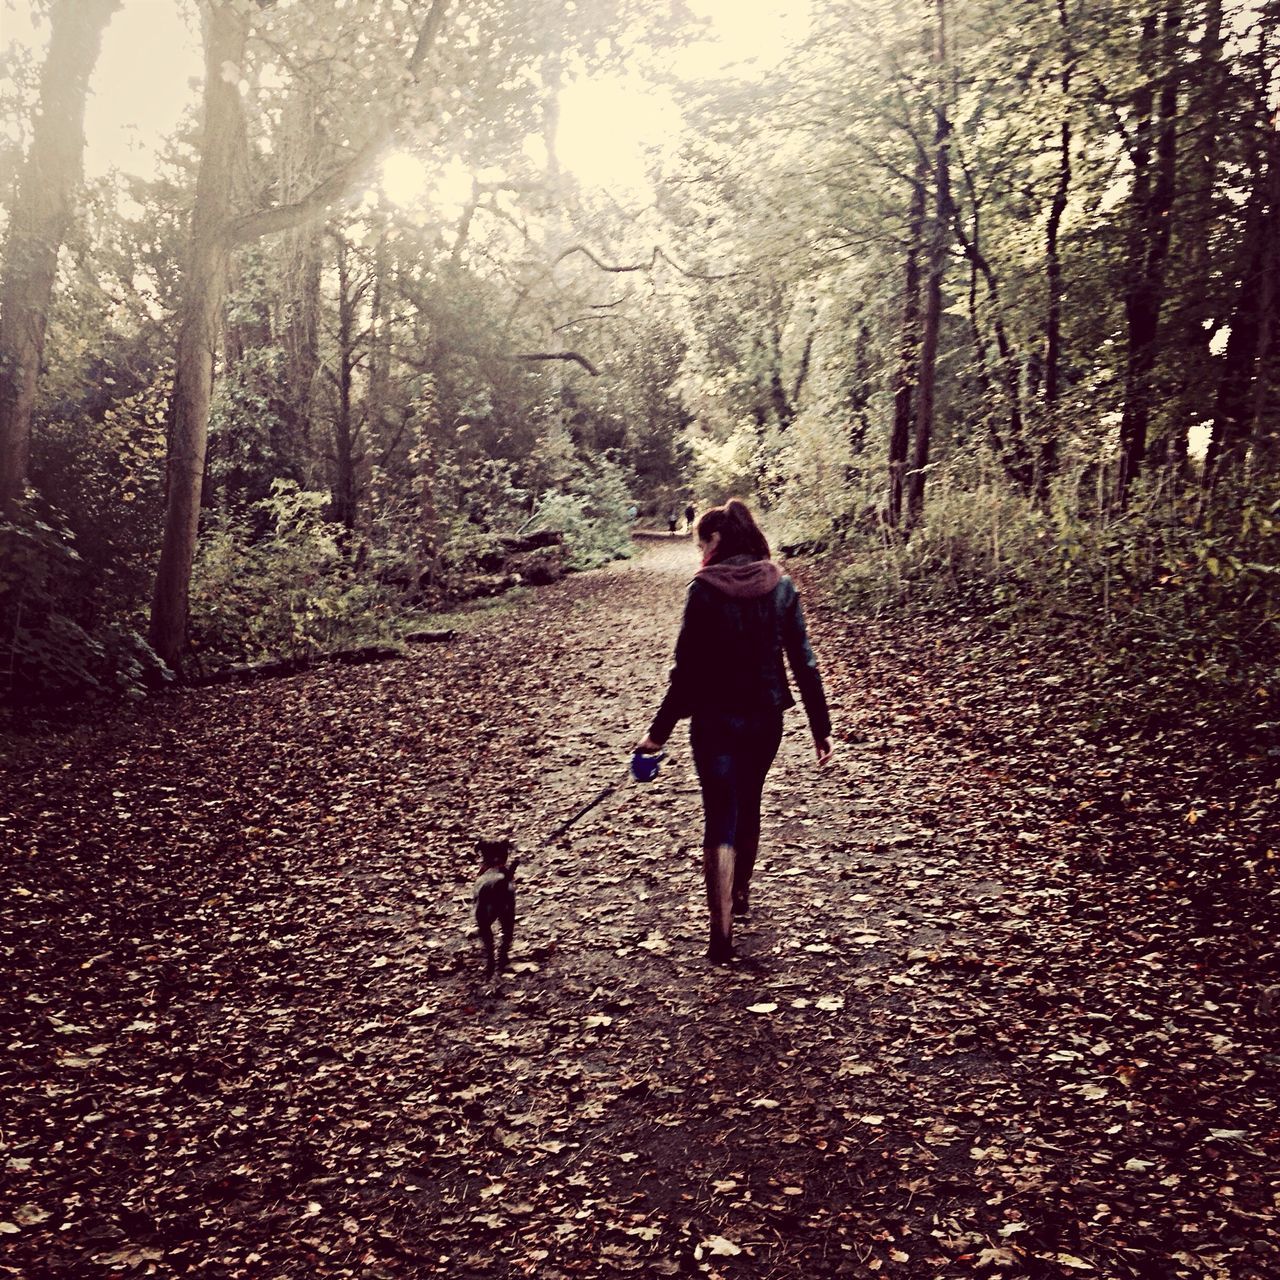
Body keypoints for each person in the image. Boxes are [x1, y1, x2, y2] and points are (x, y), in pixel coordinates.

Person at [635, 498, 833, 963]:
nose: (699, 552)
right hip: (766, 718)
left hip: (713, 720)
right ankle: (740, 891)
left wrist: (657, 734)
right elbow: (804, 662)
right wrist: (820, 727)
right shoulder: (780, 585)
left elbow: (686, 672)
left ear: (717, 540)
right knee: (749, 801)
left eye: (702, 542)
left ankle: (720, 934)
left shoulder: (704, 589)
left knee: (719, 813)